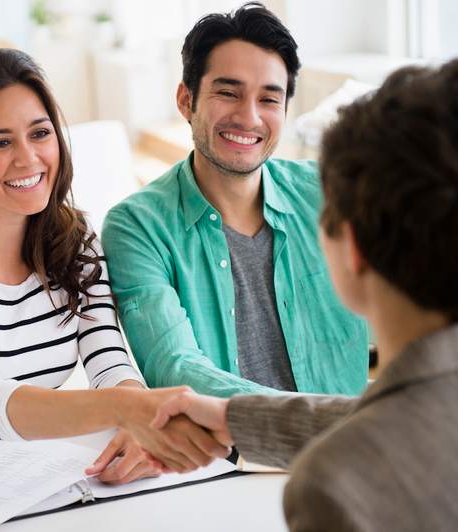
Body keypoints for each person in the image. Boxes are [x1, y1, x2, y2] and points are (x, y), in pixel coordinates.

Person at [152, 57, 458, 531]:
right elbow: (409, 417)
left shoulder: (336, 487)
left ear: (353, 248)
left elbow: (397, 429)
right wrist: (236, 417)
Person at [0, 48, 228, 482]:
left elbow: (108, 361)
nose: (28, 158)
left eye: (40, 133)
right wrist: (130, 409)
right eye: (0, 142)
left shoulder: (73, 239)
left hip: (22, 476)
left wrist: (138, 424)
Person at [102, 2, 368, 398]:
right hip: (231, 455)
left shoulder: (328, 193)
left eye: (269, 99)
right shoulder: (137, 227)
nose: (249, 118)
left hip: (354, 445)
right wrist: (316, 423)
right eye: (228, 93)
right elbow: (176, 370)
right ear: (185, 100)